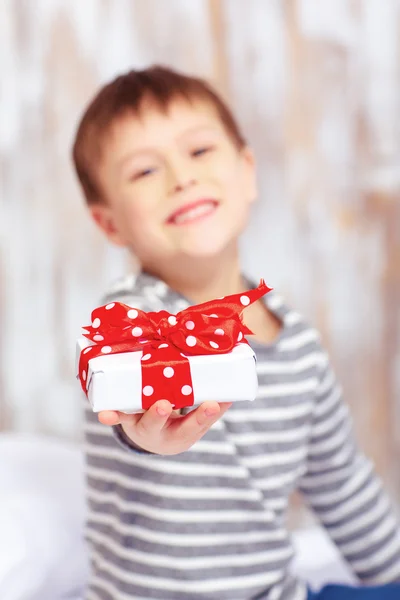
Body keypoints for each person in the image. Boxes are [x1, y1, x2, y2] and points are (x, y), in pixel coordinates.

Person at [72, 66, 400, 600]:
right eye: (144, 172)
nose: (182, 177)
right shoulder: (132, 318)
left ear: (247, 172)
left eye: (199, 152)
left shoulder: (298, 349)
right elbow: (121, 404)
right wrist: (145, 435)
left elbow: (341, 486)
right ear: (110, 223)